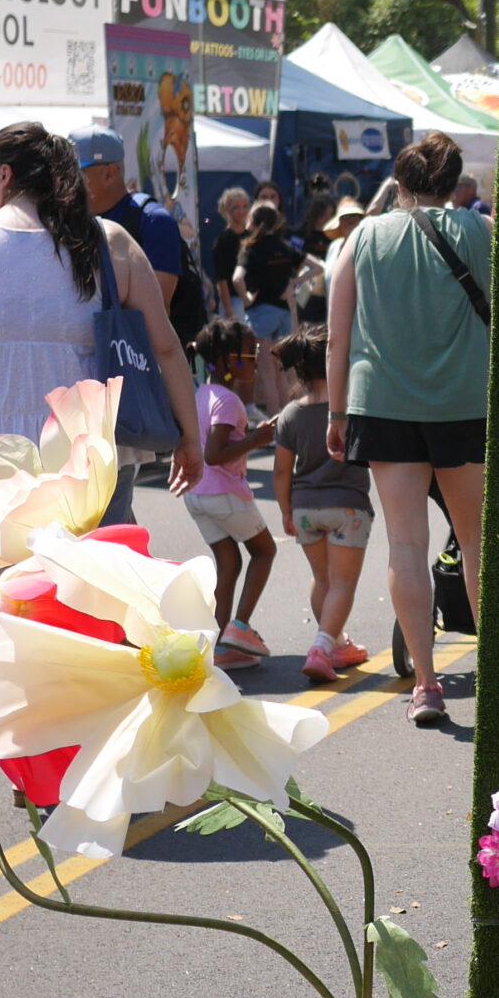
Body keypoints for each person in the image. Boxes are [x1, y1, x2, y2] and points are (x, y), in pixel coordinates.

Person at [0, 123, 199, 515]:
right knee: (85, 574)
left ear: (4, 174)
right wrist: (190, 437)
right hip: (83, 460)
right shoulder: (109, 242)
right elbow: (166, 347)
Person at [328, 132, 488, 726]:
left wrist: (336, 413)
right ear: (455, 184)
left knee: (406, 544)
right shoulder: (479, 231)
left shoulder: (364, 237)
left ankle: (425, 681)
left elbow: (338, 335)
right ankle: (492, 669)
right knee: (474, 542)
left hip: (384, 404)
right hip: (465, 403)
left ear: (400, 183)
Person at [272, 327, 373, 683]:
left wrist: (286, 511)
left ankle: (337, 644)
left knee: (322, 579)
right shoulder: (351, 408)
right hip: (348, 508)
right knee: (343, 583)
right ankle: (321, 648)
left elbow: (282, 471)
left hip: (305, 509)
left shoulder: (290, 414)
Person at [189, 318, 279, 667]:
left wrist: (249, 438)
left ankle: (220, 643)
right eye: (251, 355)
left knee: (229, 563)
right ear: (229, 360)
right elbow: (214, 453)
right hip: (224, 492)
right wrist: (257, 439)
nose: (256, 361)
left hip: (197, 496)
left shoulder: (202, 394)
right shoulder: (228, 401)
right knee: (265, 551)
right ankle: (239, 629)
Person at [71, 125, 196, 341]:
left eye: (77, 174)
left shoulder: (154, 221)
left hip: (140, 363)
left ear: (110, 174)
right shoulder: (72, 222)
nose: (67, 183)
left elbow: (157, 312)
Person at [236, 201, 307, 408]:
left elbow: (236, 279)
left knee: (266, 373)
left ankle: (274, 425)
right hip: (283, 314)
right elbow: (316, 267)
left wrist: (247, 299)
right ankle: (285, 422)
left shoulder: (249, 248)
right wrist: (293, 284)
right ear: (276, 223)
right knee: (282, 374)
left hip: (261, 314)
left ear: (253, 221)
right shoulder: (285, 246)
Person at [210, 184, 253, 318]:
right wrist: (229, 309)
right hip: (235, 301)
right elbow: (221, 280)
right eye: (236, 207)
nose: (241, 211)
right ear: (226, 211)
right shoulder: (223, 241)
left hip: (253, 299)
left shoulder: (252, 237)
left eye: (245, 206)